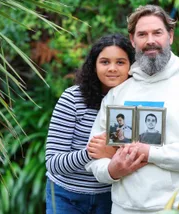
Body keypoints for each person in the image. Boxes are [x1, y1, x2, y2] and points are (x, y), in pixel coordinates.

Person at [85, 5, 179, 214]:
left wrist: (150, 153)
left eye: (157, 33)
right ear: (133, 41)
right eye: (142, 34)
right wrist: (112, 170)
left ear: (170, 36)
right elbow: (95, 155)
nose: (150, 40)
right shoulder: (118, 93)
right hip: (122, 208)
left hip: (177, 208)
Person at [45, 33, 135, 214]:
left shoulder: (134, 102)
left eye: (120, 62)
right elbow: (53, 163)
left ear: (131, 66)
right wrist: (91, 153)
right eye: (104, 62)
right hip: (66, 196)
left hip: (109, 196)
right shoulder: (73, 99)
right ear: (94, 65)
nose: (112, 68)